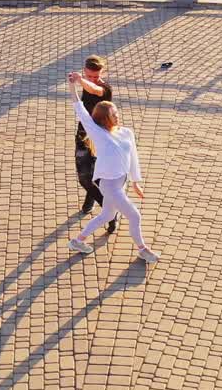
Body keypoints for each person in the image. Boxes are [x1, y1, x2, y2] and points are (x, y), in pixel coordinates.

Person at [65, 72, 159, 264]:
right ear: (104, 119)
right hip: (109, 185)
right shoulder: (98, 133)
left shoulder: (126, 132)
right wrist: (73, 86)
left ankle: (78, 241)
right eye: (114, 115)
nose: (118, 116)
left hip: (121, 182)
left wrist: (135, 182)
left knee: (107, 215)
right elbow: (80, 110)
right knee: (134, 215)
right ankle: (142, 249)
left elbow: (133, 156)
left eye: (117, 113)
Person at [73, 55, 118, 233]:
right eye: (89, 76)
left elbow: (93, 89)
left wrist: (81, 80)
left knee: (94, 175)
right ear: (85, 71)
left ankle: (110, 212)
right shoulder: (85, 82)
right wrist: (77, 82)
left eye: (96, 76)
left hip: (101, 138)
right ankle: (93, 199)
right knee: (85, 175)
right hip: (84, 135)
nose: (94, 80)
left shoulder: (105, 89)